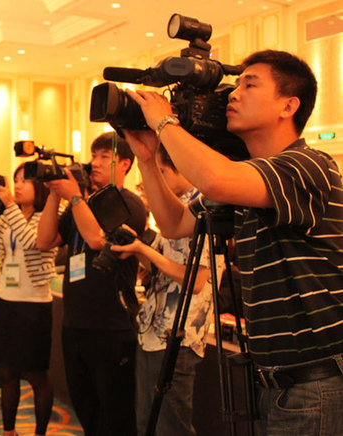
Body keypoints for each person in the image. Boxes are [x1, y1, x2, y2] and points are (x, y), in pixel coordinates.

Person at [123, 50, 343, 435]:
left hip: (316, 382)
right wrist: (146, 158)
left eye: (249, 84)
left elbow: (213, 179)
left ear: (288, 105)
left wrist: (164, 121)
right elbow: (174, 224)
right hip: (273, 381)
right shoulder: (245, 182)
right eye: (235, 83)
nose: (233, 95)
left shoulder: (310, 165)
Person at [37, 132, 147, 436]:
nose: (94, 162)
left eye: (103, 157)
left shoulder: (129, 204)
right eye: (93, 155)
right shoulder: (80, 205)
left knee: (116, 413)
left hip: (112, 324)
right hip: (75, 323)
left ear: (124, 164)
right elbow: (44, 240)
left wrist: (74, 197)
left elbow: (98, 239)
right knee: (85, 407)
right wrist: (53, 193)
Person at [110, 145, 213, 436]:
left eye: (161, 172)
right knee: (148, 424)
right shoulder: (174, 207)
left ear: (181, 167)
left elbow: (197, 281)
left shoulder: (202, 209)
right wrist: (136, 246)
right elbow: (157, 266)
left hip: (177, 337)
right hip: (152, 332)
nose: (156, 181)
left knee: (171, 427)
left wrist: (145, 250)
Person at [0, 162, 56, 436]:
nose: (17, 185)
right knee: (7, 373)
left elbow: (33, 242)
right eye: (15, 179)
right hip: (5, 300)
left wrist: (8, 206)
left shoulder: (51, 214)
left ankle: (40, 433)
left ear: (40, 186)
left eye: (25, 180)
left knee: (36, 375)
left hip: (34, 304)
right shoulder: (9, 215)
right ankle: (9, 430)